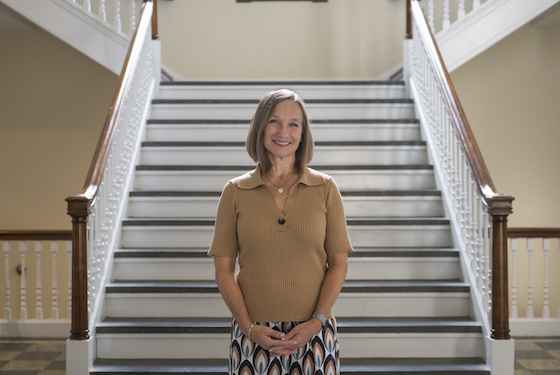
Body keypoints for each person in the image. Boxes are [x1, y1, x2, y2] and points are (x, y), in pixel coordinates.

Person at [208, 89, 353, 375]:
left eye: (293, 124)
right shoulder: (234, 192)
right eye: (274, 121)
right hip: (254, 336)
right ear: (261, 128)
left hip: (314, 334)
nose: (283, 131)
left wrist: (316, 322)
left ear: (302, 133)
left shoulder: (325, 188)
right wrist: (249, 328)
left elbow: (338, 263)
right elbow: (223, 270)